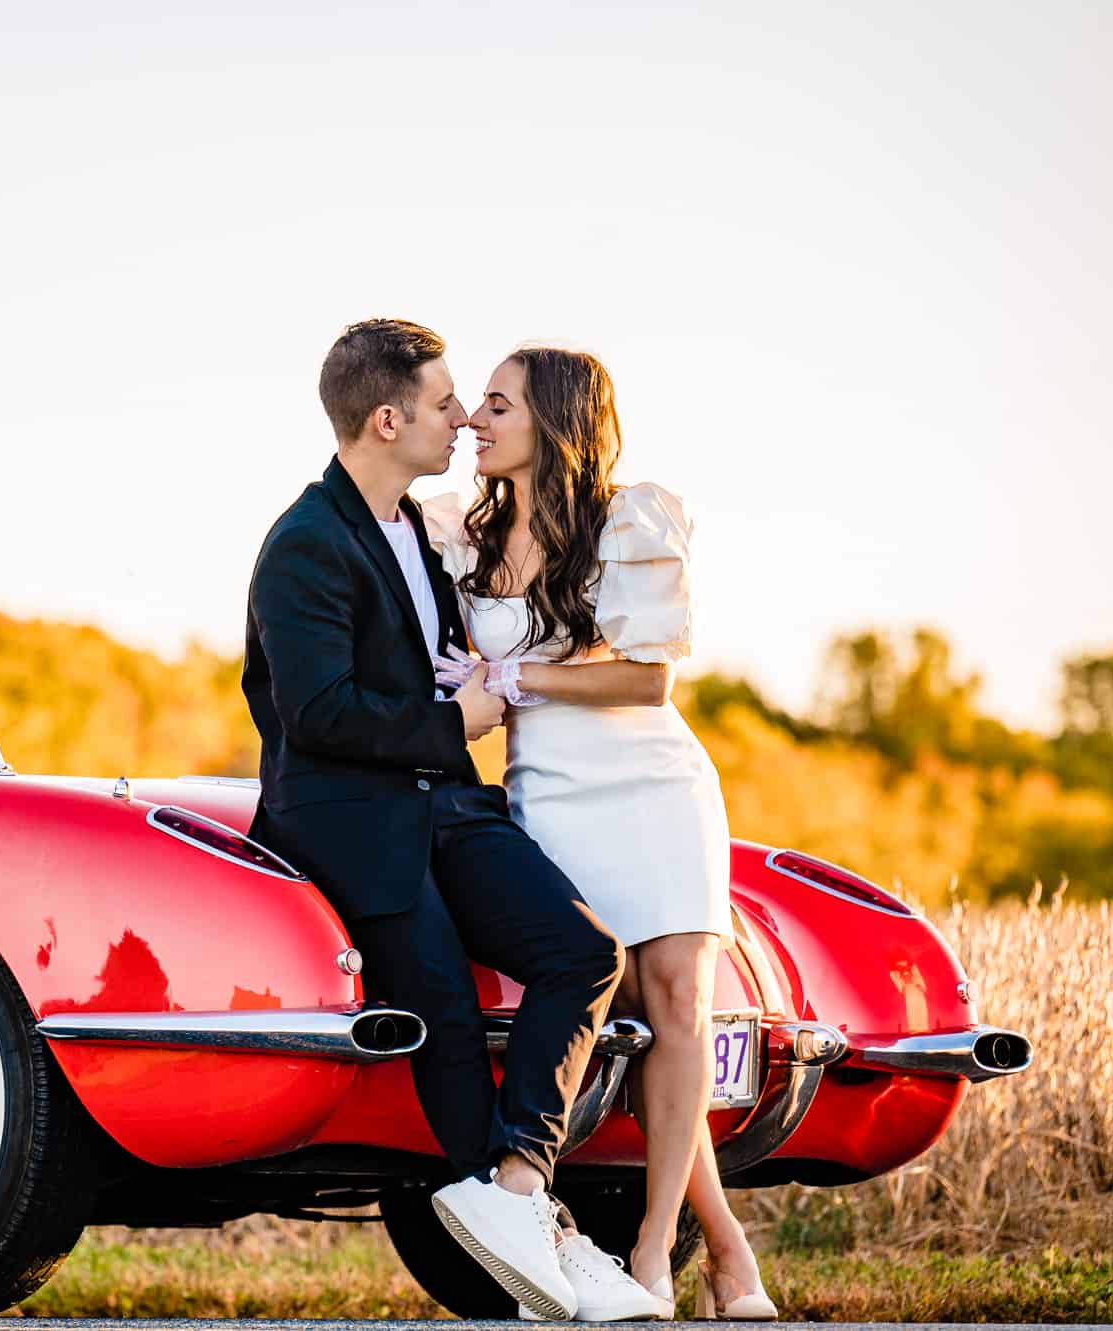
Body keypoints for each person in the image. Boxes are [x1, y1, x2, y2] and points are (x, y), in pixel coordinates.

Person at [242, 318, 656, 1321]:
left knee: (581, 950)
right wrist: (455, 718)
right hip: (345, 823)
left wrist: (466, 710)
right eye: (441, 403)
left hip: (444, 805)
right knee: (443, 1004)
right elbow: (314, 713)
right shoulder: (302, 543)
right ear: (385, 419)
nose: (459, 417)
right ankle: (523, 1256)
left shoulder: (417, 534)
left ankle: (517, 1186)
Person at [419, 346, 778, 1320]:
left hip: (651, 787)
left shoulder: (628, 517)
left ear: (554, 420)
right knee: (621, 1009)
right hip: (547, 797)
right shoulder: (460, 534)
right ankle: (730, 1247)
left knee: (677, 1008)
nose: (474, 421)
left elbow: (644, 677)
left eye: (497, 405)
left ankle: (656, 1252)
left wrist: (516, 679)